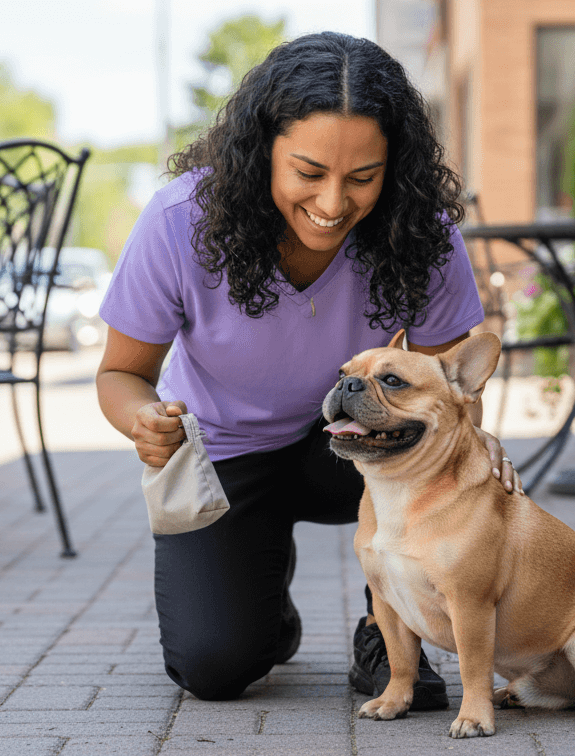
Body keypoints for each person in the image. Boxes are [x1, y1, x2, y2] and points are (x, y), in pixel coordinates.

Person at [95, 31, 515, 705]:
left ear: (393, 168)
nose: (332, 203)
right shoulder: (180, 221)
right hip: (225, 457)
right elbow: (120, 374)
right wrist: (141, 420)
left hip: (358, 444)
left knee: (463, 488)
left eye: (363, 178)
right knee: (216, 665)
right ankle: (264, 604)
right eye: (309, 172)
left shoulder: (421, 229)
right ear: (261, 153)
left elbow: (451, 384)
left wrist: (475, 466)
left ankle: (390, 628)